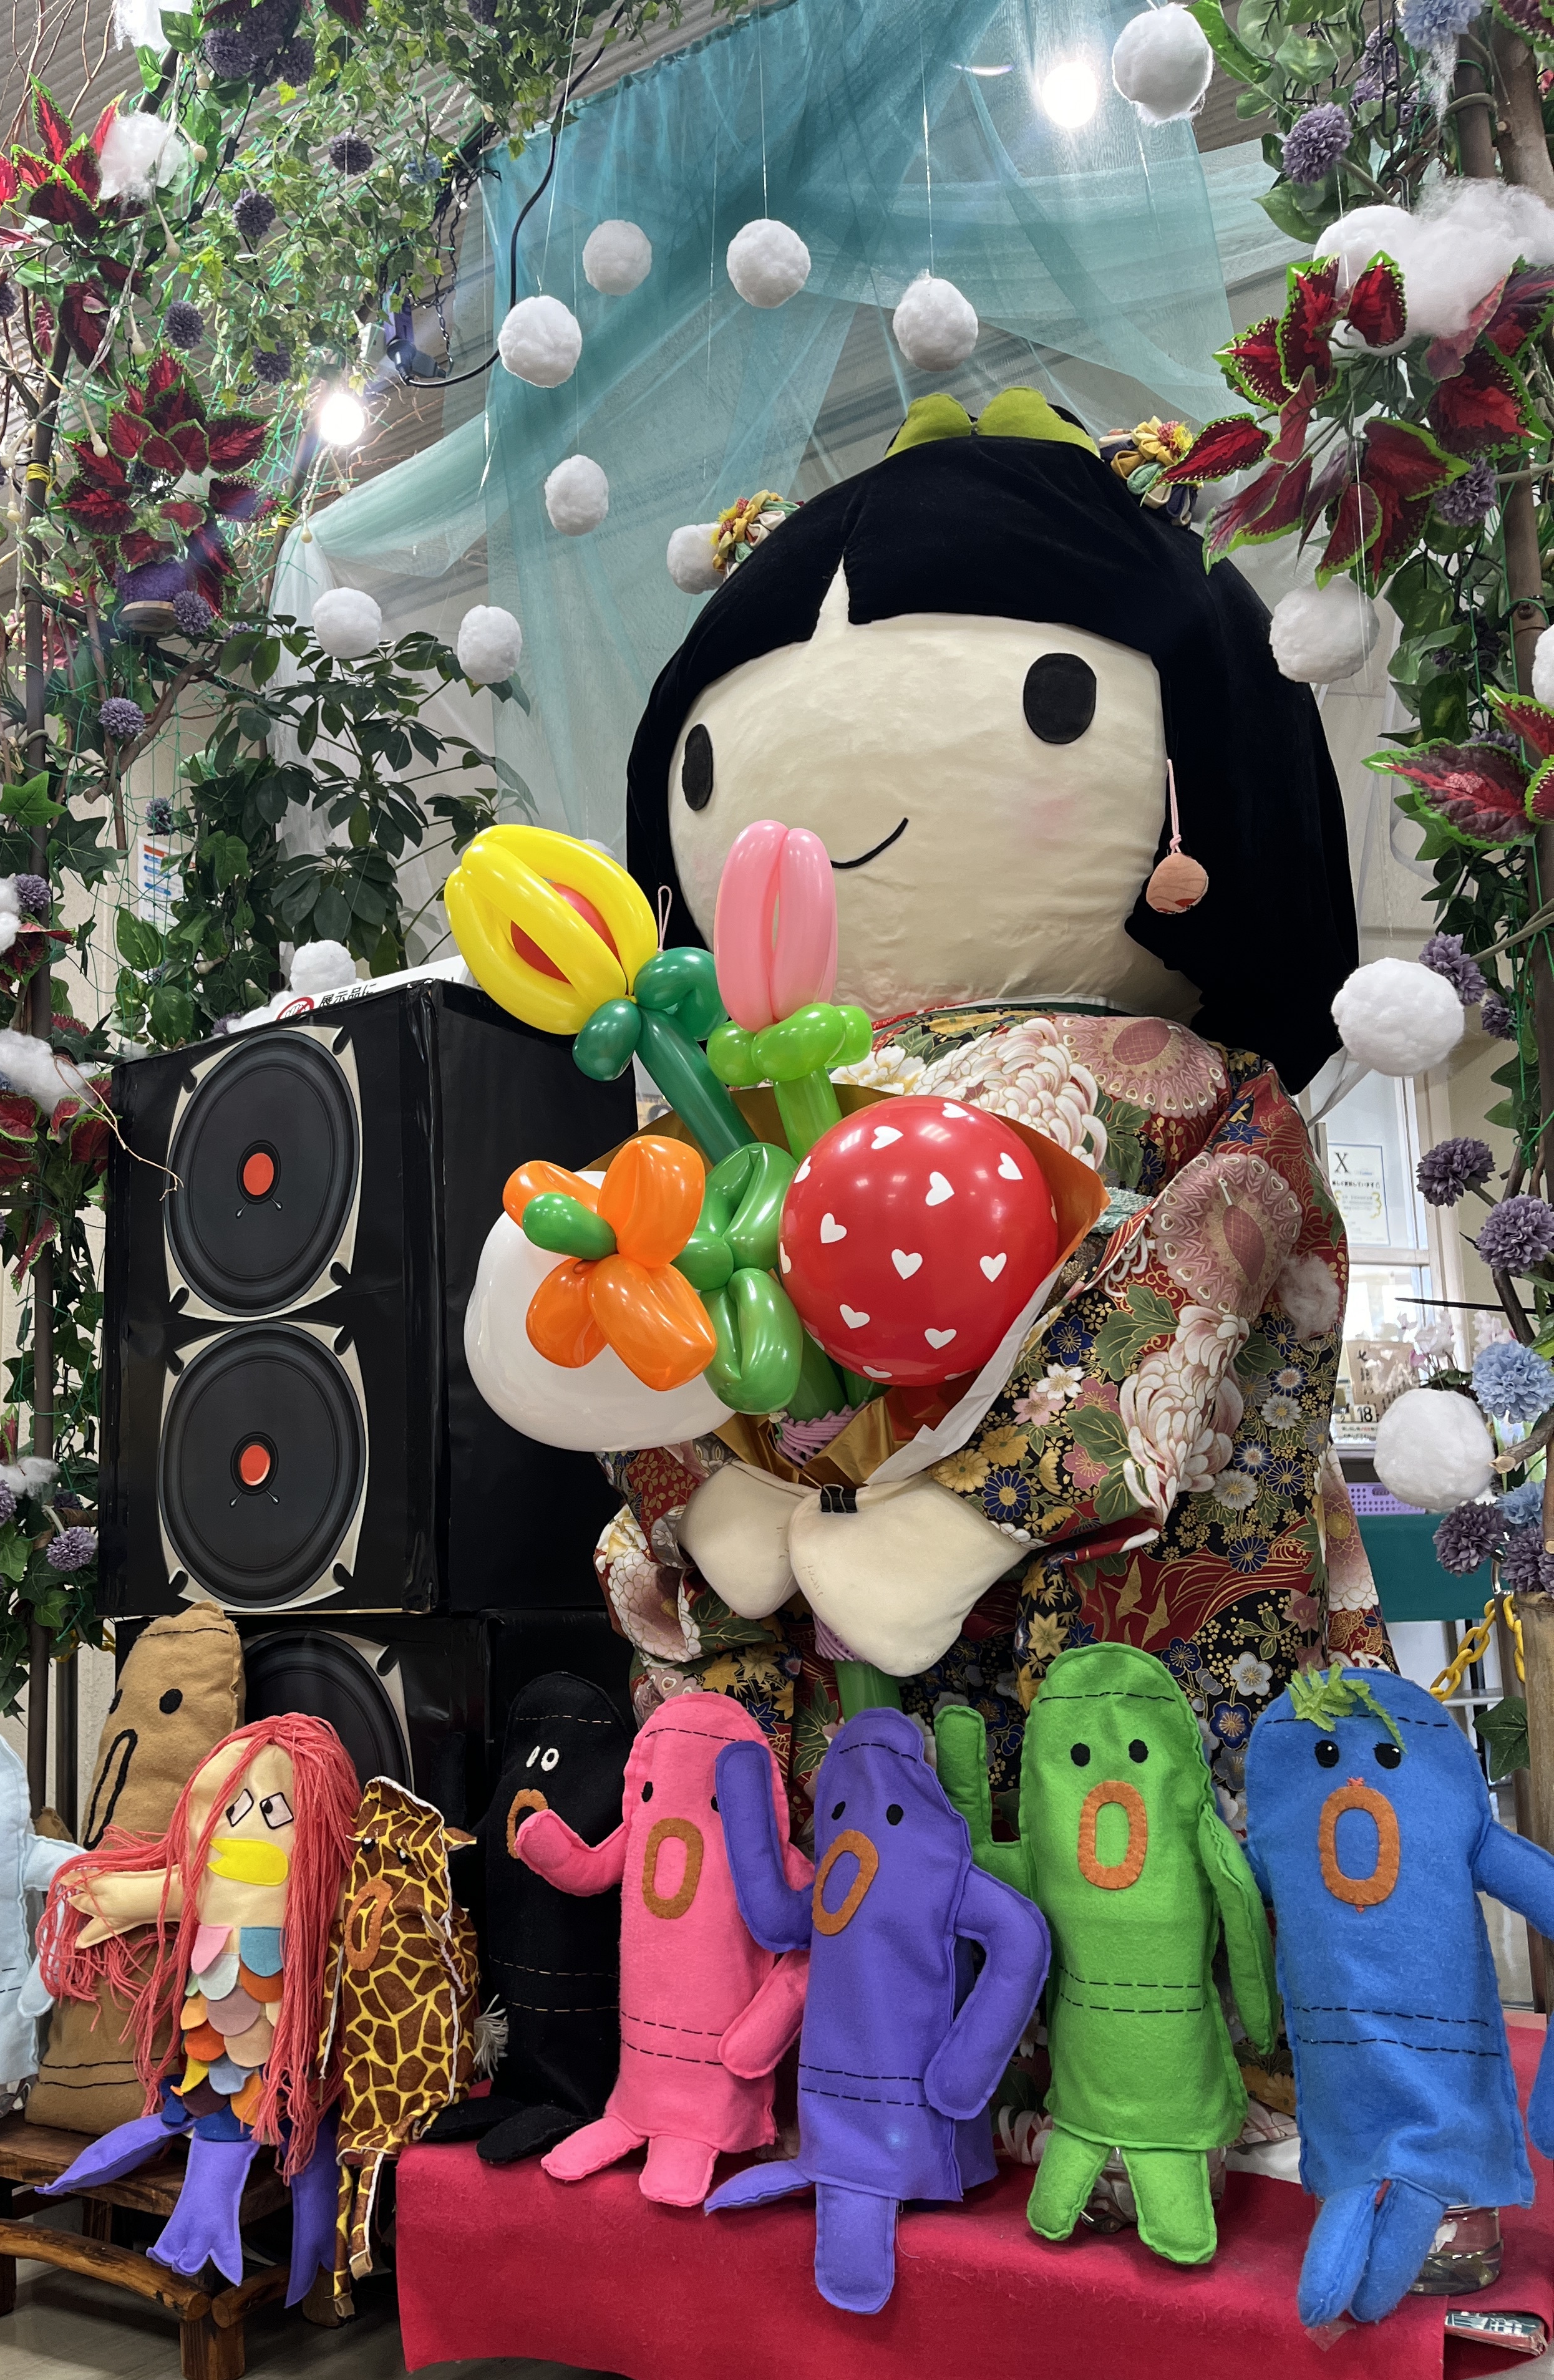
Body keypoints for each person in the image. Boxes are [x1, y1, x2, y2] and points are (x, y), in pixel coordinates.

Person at [511, 389, 1389, 1836]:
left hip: (1109, 1627)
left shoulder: (1195, 1090)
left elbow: (1195, 1275)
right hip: (804, 1615)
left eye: (1058, 704)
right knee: (830, 1897)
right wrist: (696, 1490)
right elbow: (653, 1311)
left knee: (1131, 1899)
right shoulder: (728, 1091)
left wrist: (974, 1511)